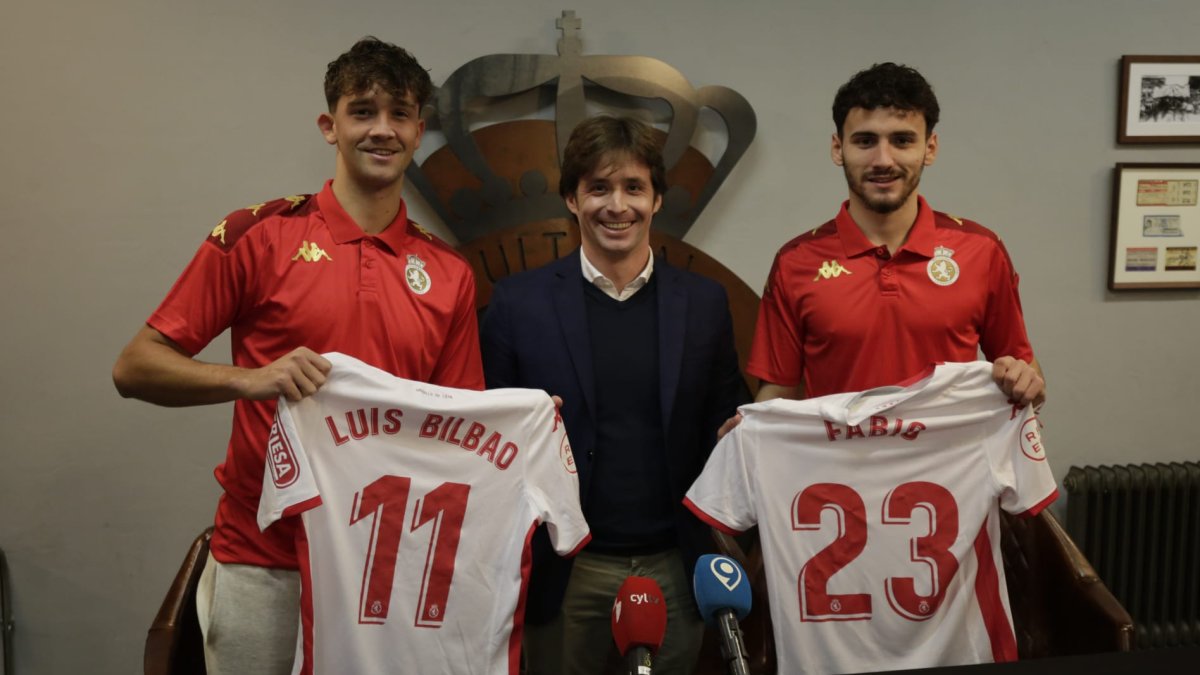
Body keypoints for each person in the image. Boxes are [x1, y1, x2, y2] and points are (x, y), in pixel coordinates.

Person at [112, 37, 484, 675]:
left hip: (383, 566)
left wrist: (527, 419)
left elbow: (458, 426)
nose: (382, 129)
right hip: (264, 558)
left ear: (419, 132)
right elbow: (135, 366)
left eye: (399, 114)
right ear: (329, 126)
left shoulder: (448, 272)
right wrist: (252, 379)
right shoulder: (259, 235)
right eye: (362, 111)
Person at [479, 115, 747, 675]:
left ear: (657, 200)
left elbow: (725, 416)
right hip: (564, 570)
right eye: (598, 188)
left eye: (633, 188)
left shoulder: (703, 304)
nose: (616, 205)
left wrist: (739, 432)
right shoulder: (516, 303)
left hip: (674, 564)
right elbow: (483, 444)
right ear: (573, 200)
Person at [747, 62, 1045, 408]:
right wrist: (748, 432)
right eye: (865, 141)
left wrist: (1027, 384)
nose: (883, 159)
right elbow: (777, 396)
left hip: (951, 463)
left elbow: (1028, 377)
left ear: (929, 148)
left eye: (902, 140)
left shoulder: (982, 250)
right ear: (837, 148)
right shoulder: (795, 262)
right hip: (838, 463)